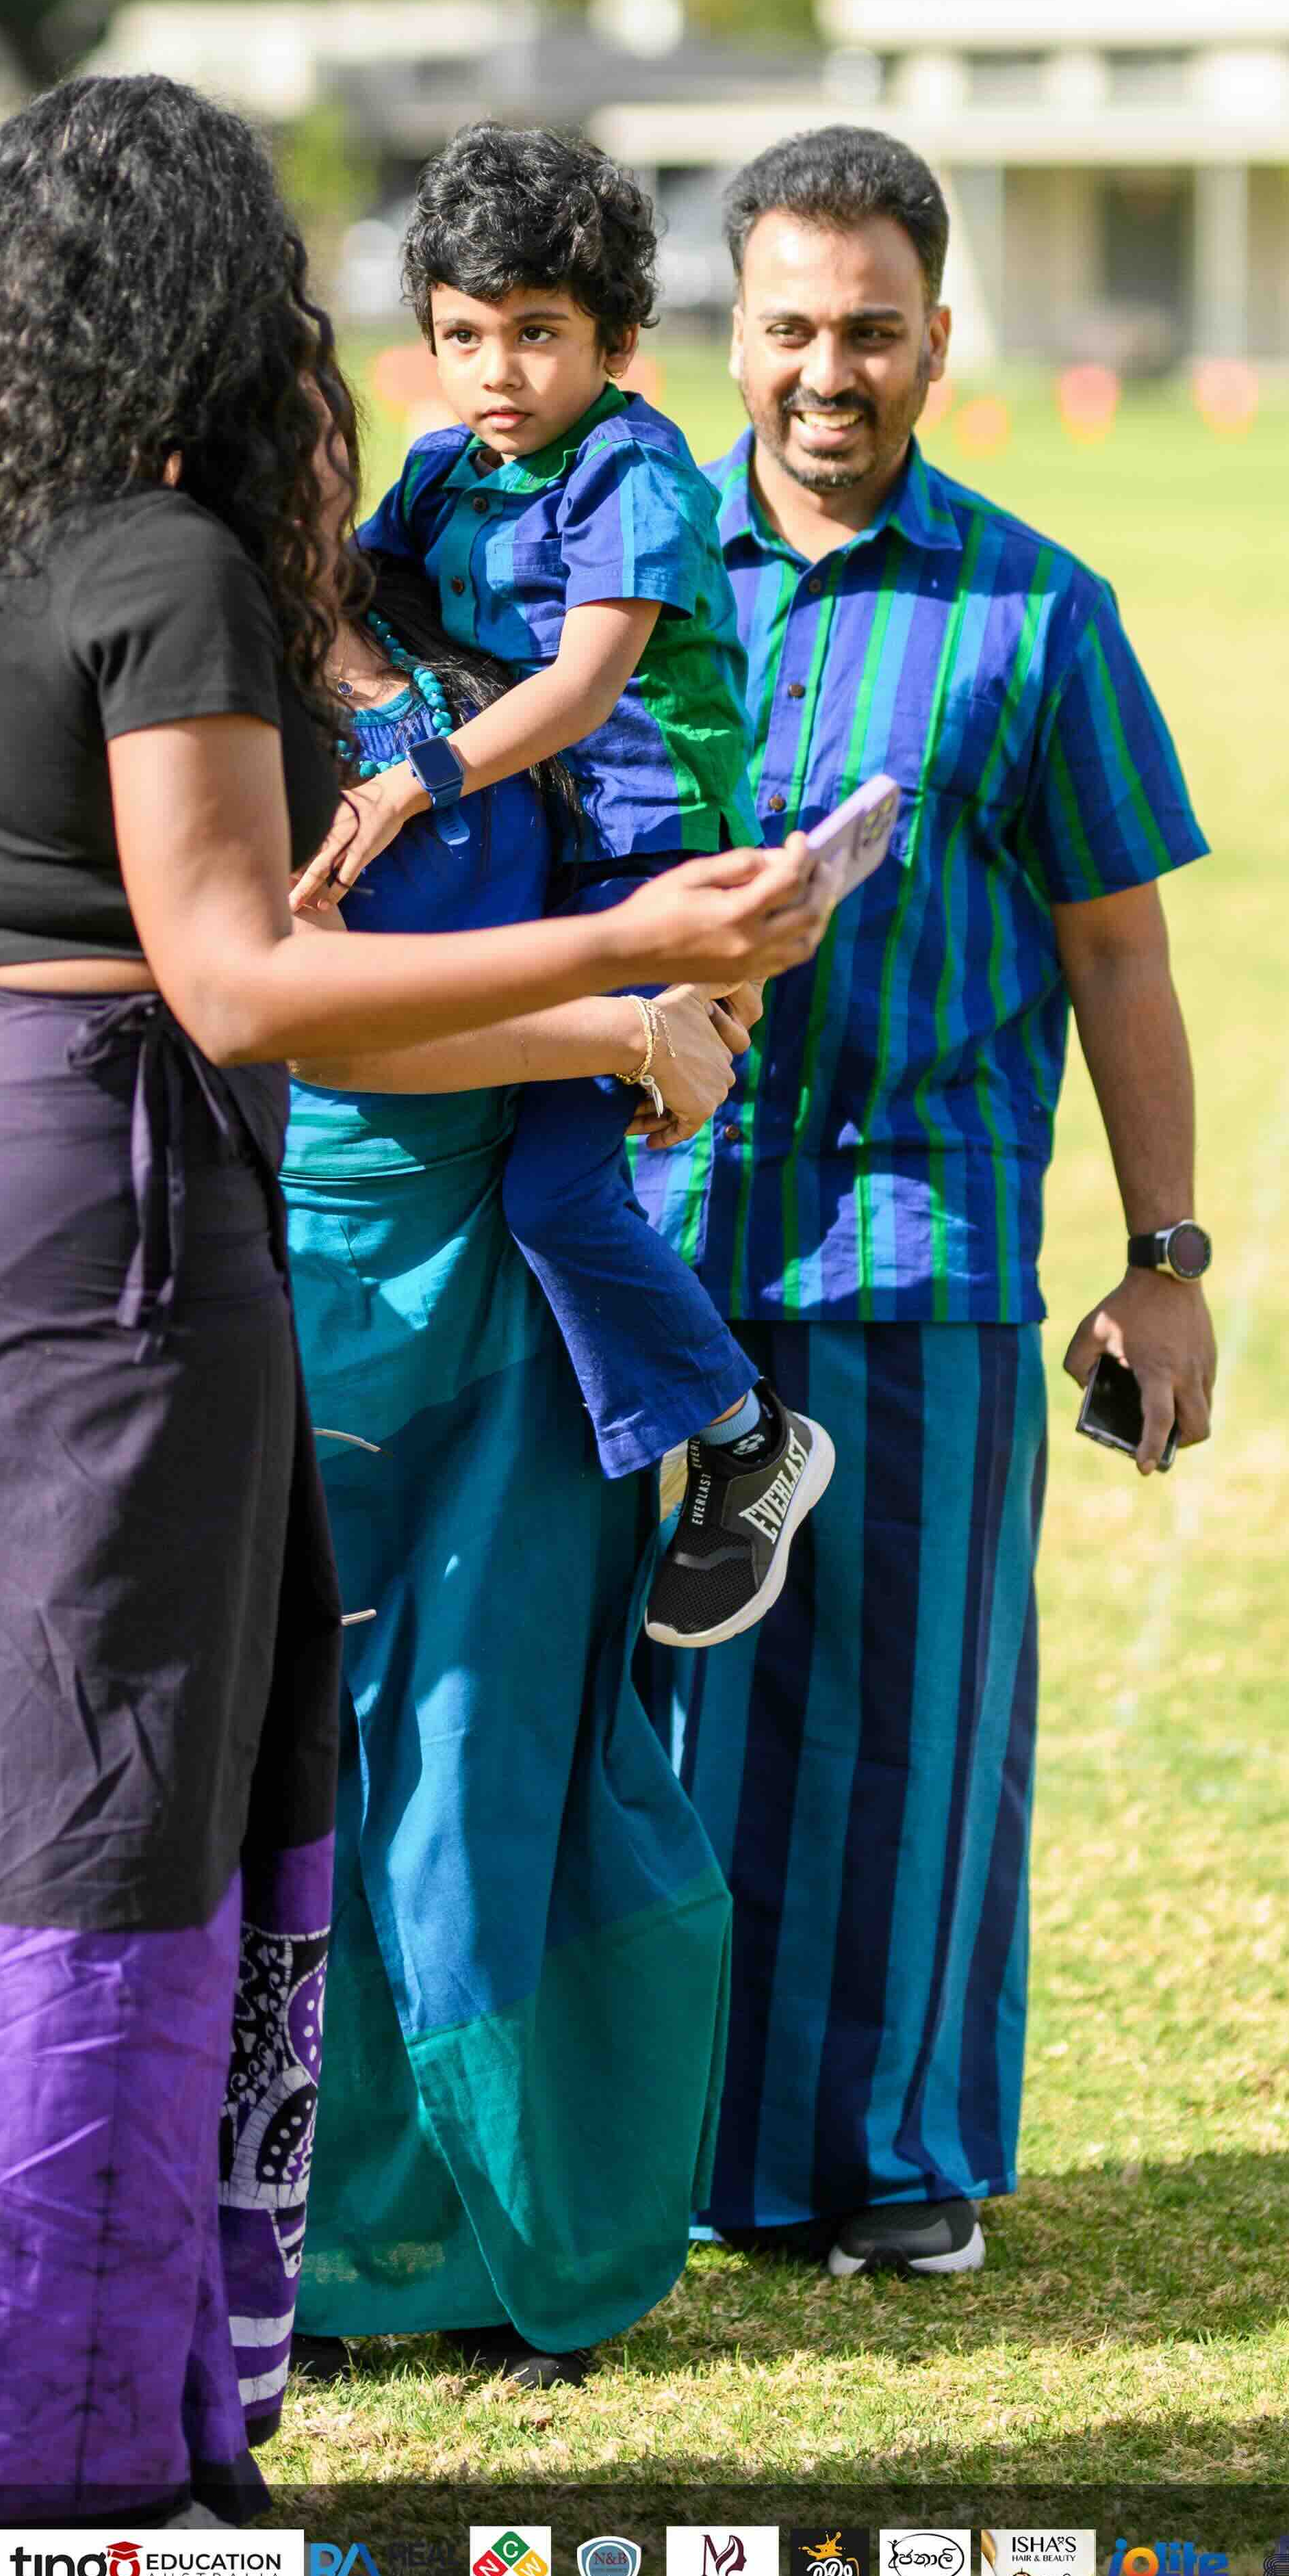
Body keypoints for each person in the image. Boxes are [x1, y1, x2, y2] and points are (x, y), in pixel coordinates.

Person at [0, 73, 826, 2533]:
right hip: (96, 1206)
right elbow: (249, 980)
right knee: (107, 1800)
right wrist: (637, 932)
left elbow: (233, 972)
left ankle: (76, 2401)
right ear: (202, 315)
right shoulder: (166, 564)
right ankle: (38, 2449)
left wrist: (585, 1025)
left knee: (37, 1790)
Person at [637, 123, 1214, 2284]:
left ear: (940, 342)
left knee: (906, 1721)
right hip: (638, 1250)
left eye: (870, 332)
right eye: (788, 327)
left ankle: (885, 2165)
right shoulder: (628, 588)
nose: (825, 372)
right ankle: (655, 2149)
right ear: (733, 333)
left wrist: (1164, 1268)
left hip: (918, 1245)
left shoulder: (1037, 612)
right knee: (637, 1715)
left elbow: (1122, 950)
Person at [280, 556, 747, 2393]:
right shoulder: (190, 691)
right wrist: (610, 1023)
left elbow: (637, 850)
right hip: (313, 1282)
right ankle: (315, 2256)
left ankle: (526, 2242)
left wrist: (693, 1011)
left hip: (521, 1272)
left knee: (506, 1754)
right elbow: (297, 1006)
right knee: (307, 1773)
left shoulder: (468, 647)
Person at [299, 123, 831, 1647]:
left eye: (537, 334)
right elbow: (349, 584)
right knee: (545, 1172)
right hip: (554, 873)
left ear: (613, 340)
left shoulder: (631, 468)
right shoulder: (440, 471)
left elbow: (585, 688)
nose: (497, 371)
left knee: (551, 1183)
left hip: (659, 866)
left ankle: (741, 1441)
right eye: (463, 335)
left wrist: (414, 775)